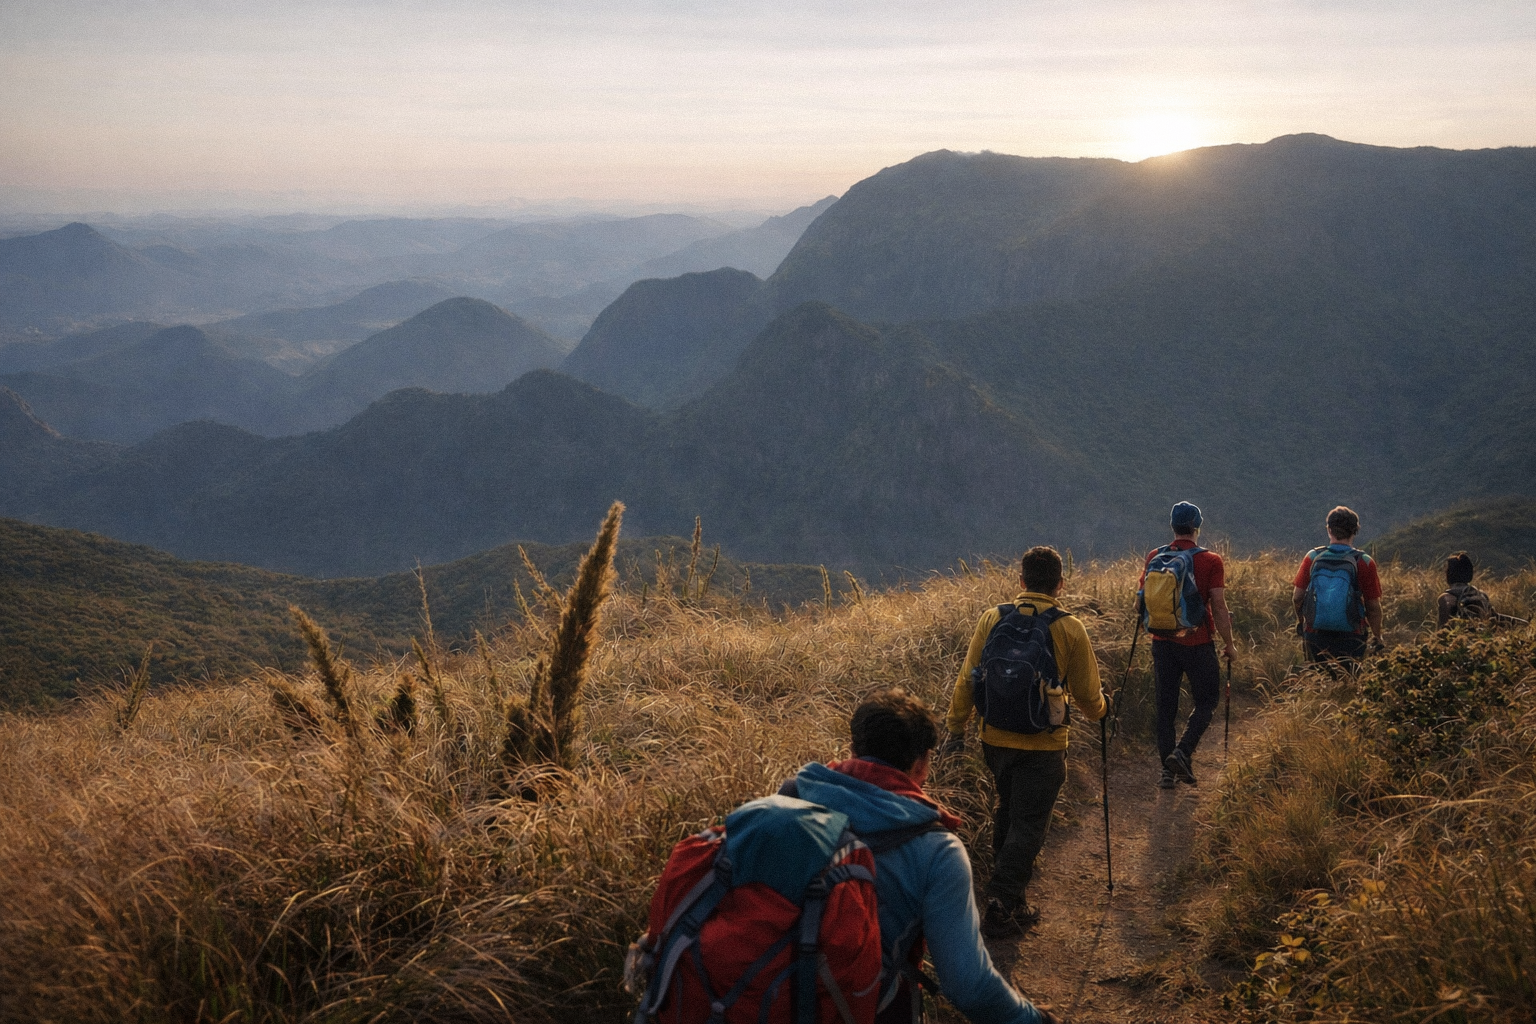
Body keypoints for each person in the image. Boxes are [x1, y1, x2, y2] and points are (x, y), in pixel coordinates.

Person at [778, 689, 1061, 1024]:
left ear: (853, 750)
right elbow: (967, 985)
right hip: (864, 1010)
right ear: (923, 763)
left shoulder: (790, 799)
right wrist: (1033, 1019)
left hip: (762, 997)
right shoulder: (937, 850)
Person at [942, 546, 1107, 938]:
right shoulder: (1069, 627)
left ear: (1021, 582)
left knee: (1009, 809)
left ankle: (1008, 895)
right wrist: (1102, 712)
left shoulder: (992, 618)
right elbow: (1087, 695)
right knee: (1030, 823)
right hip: (1043, 745)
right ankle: (1001, 898)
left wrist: (956, 727)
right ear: (1060, 585)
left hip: (994, 738)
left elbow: (969, 676)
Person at [1138, 501, 1236, 790]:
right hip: (1197, 642)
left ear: (1173, 527)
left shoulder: (1155, 556)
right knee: (1207, 701)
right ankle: (1183, 752)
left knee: (1166, 707)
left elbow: (1139, 601)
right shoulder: (1211, 561)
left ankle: (1167, 772)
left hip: (1162, 642)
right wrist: (1230, 644)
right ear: (1197, 527)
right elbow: (1218, 605)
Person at [1292, 505, 1384, 665]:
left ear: (1329, 530)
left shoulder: (1312, 556)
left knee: (1316, 681)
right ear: (1355, 531)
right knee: (1349, 681)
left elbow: (1297, 597)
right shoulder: (1364, 561)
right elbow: (1373, 607)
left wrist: (1302, 621)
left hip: (1315, 633)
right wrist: (1377, 636)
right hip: (1352, 635)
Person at [1438, 552, 1528, 628]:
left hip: (1460, 641)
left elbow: (1444, 627)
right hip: (1482, 640)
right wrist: (1523, 624)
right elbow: (1493, 617)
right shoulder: (1481, 595)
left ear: (1449, 574)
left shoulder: (1446, 598)